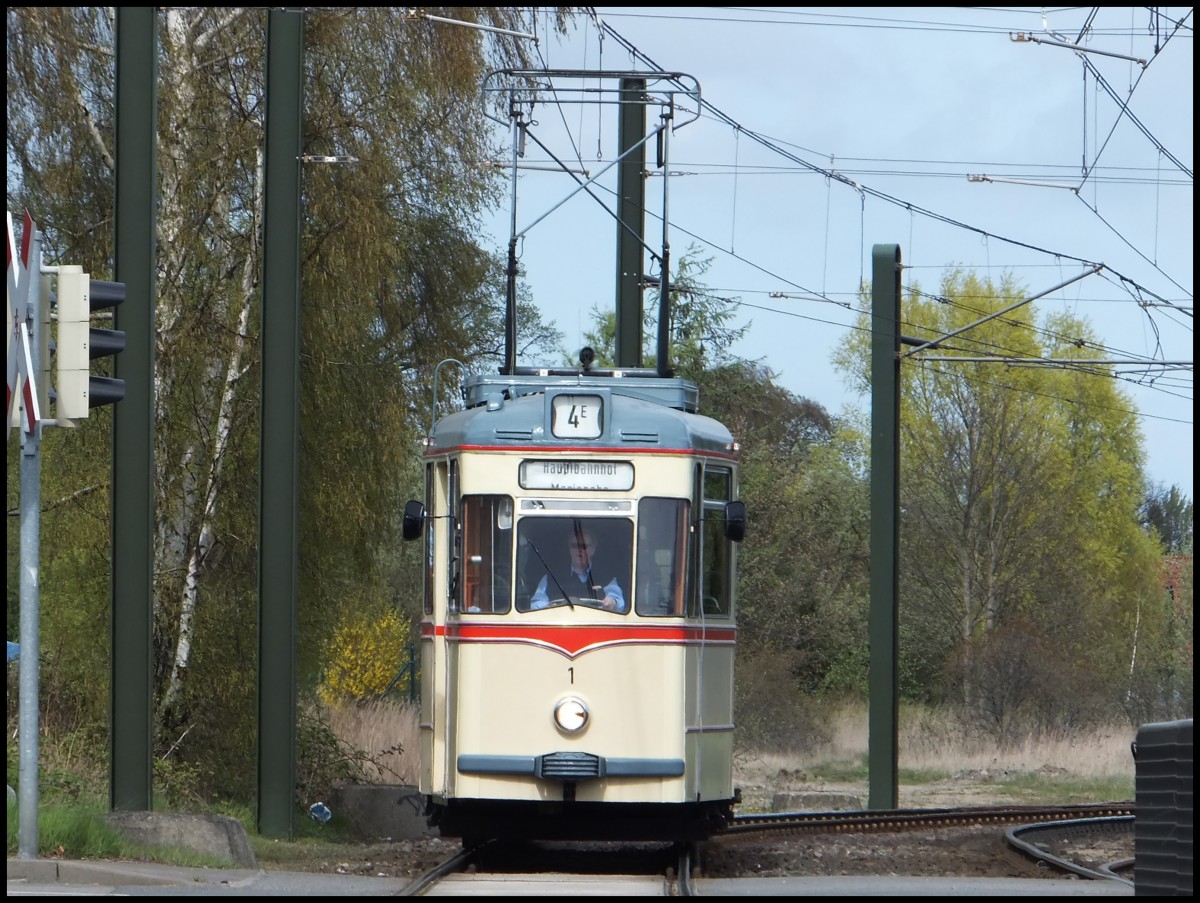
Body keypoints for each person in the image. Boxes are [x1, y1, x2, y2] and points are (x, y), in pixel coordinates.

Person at [529, 528, 626, 612]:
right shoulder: (551, 576)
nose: (579, 550)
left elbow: (618, 601)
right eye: (575, 546)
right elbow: (536, 603)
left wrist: (612, 603)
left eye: (584, 546)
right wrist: (547, 607)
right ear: (569, 549)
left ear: (593, 550)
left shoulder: (606, 577)